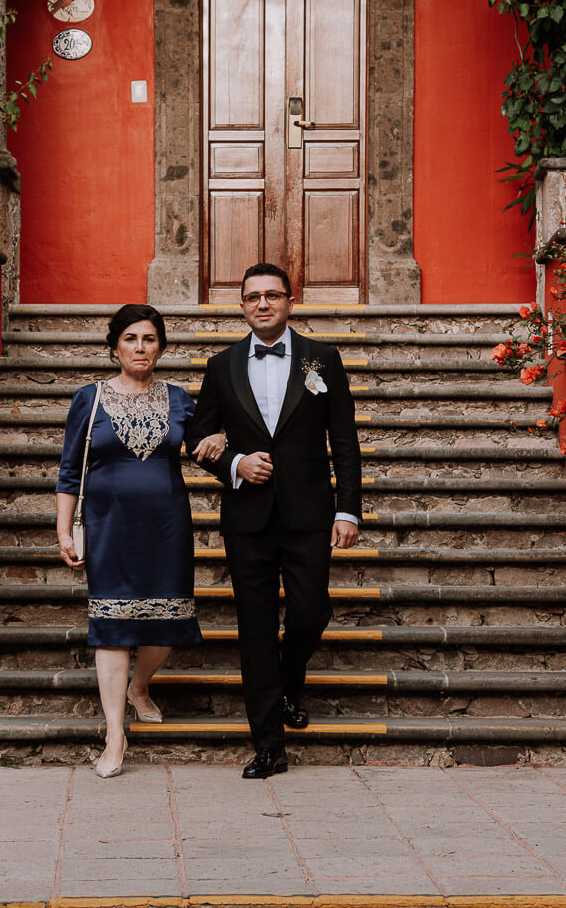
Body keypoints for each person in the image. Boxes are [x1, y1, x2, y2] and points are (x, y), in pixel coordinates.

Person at [190, 263, 362, 779]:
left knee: (311, 612)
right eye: (253, 297)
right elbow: (198, 438)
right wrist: (235, 463)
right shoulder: (221, 365)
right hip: (248, 518)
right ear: (242, 306)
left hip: (309, 513)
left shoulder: (322, 358)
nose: (262, 304)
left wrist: (347, 509)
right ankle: (268, 744)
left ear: (290, 301)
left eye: (272, 295)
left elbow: (344, 440)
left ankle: (289, 682)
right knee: (256, 629)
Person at [56, 304, 227, 778]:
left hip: (166, 526)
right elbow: (70, 472)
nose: (139, 347)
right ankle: (115, 734)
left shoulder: (179, 399)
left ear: (161, 348)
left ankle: (139, 686)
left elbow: (205, 445)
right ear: (115, 347)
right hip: (108, 526)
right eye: (130, 338)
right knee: (112, 625)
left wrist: (221, 437)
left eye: (149, 339)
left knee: (169, 619)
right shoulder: (89, 399)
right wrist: (64, 529)